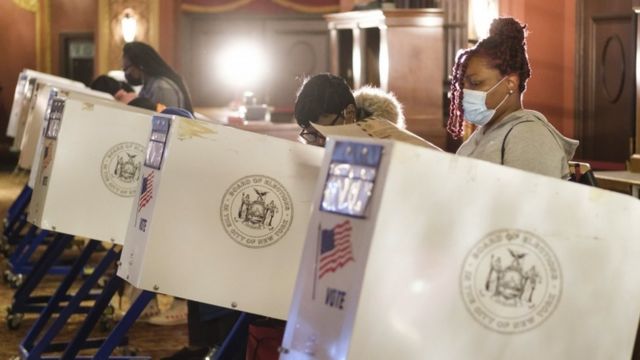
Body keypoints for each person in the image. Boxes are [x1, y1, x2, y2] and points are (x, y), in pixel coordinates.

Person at [447, 17, 578, 179]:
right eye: (463, 84)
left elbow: (533, 201)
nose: (465, 92)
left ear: (510, 83)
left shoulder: (529, 136)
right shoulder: (486, 132)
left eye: (475, 83)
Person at [294, 73, 406, 147]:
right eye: (311, 134)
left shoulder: (391, 144)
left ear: (350, 114)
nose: (320, 143)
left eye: (325, 132)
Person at [121, 41, 193, 113]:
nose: (126, 73)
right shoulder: (148, 85)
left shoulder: (160, 87)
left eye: (126, 68)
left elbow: (163, 119)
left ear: (140, 65)